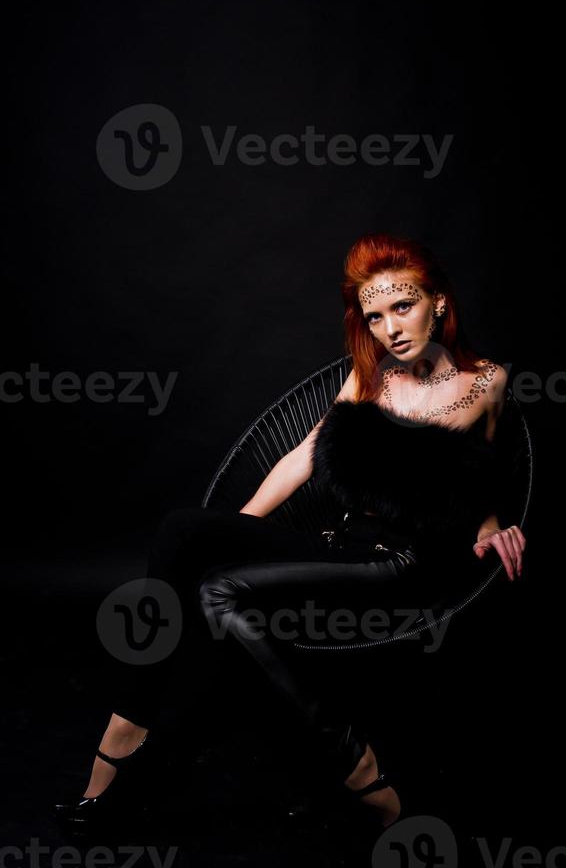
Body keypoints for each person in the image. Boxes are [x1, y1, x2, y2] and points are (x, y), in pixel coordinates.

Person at [55, 232, 526, 835]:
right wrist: (236, 530)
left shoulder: (487, 382)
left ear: (437, 301)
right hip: (338, 546)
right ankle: (133, 719)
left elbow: (477, 475)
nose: (389, 329)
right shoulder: (372, 376)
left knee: (218, 592)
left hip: (398, 564)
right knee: (185, 532)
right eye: (374, 315)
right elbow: (307, 453)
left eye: (402, 307)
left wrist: (492, 527)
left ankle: (351, 763)